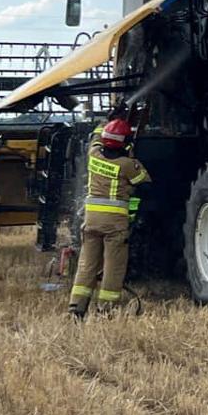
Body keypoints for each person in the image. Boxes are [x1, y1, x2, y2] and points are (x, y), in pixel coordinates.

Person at [69, 118, 149, 318]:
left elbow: (96, 137)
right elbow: (144, 181)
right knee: (113, 268)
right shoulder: (127, 164)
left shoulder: (93, 154)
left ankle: (76, 307)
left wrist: (107, 120)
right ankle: (105, 309)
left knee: (86, 265)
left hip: (91, 221)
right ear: (125, 143)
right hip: (114, 225)